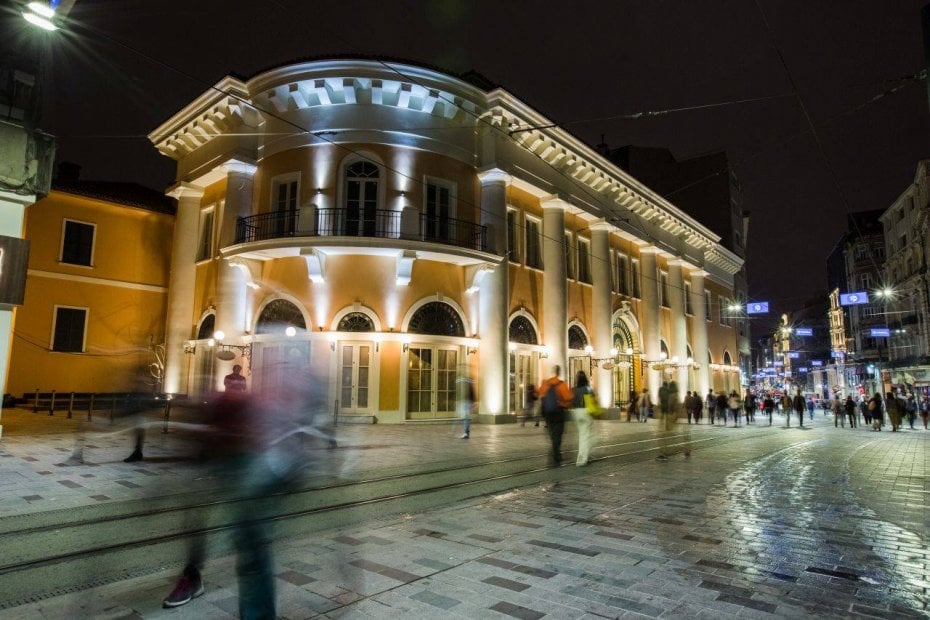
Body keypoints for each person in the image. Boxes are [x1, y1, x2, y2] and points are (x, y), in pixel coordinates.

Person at [538, 366, 573, 466]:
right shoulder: (561, 384)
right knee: (558, 433)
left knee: (552, 432)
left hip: (548, 413)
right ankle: (556, 452)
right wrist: (565, 405)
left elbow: (539, 395)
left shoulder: (546, 384)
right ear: (559, 372)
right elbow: (569, 398)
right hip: (558, 412)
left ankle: (555, 448)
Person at [656, 380, 689, 461]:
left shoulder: (671, 395)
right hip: (681, 416)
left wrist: (667, 412)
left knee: (664, 435)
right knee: (683, 434)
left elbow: (670, 407)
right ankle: (686, 450)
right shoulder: (677, 394)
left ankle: (664, 453)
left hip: (672, 416)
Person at [570, 370, 595, 466]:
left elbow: (571, 402)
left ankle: (582, 456)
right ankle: (582, 459)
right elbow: (591, 401)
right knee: (585, 436)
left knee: (582, 435)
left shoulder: (574, 389)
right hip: (586, 412)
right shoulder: (588, 389)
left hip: (577, 413)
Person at [457, 370, 477, 438]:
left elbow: (472, 390)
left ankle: (466, 432)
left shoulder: (466, 380)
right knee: (465, 417)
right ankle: (466, 432)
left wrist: (473, 401)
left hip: (466, 401)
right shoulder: (464, 380)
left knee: (465, 417)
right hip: (465, 401)